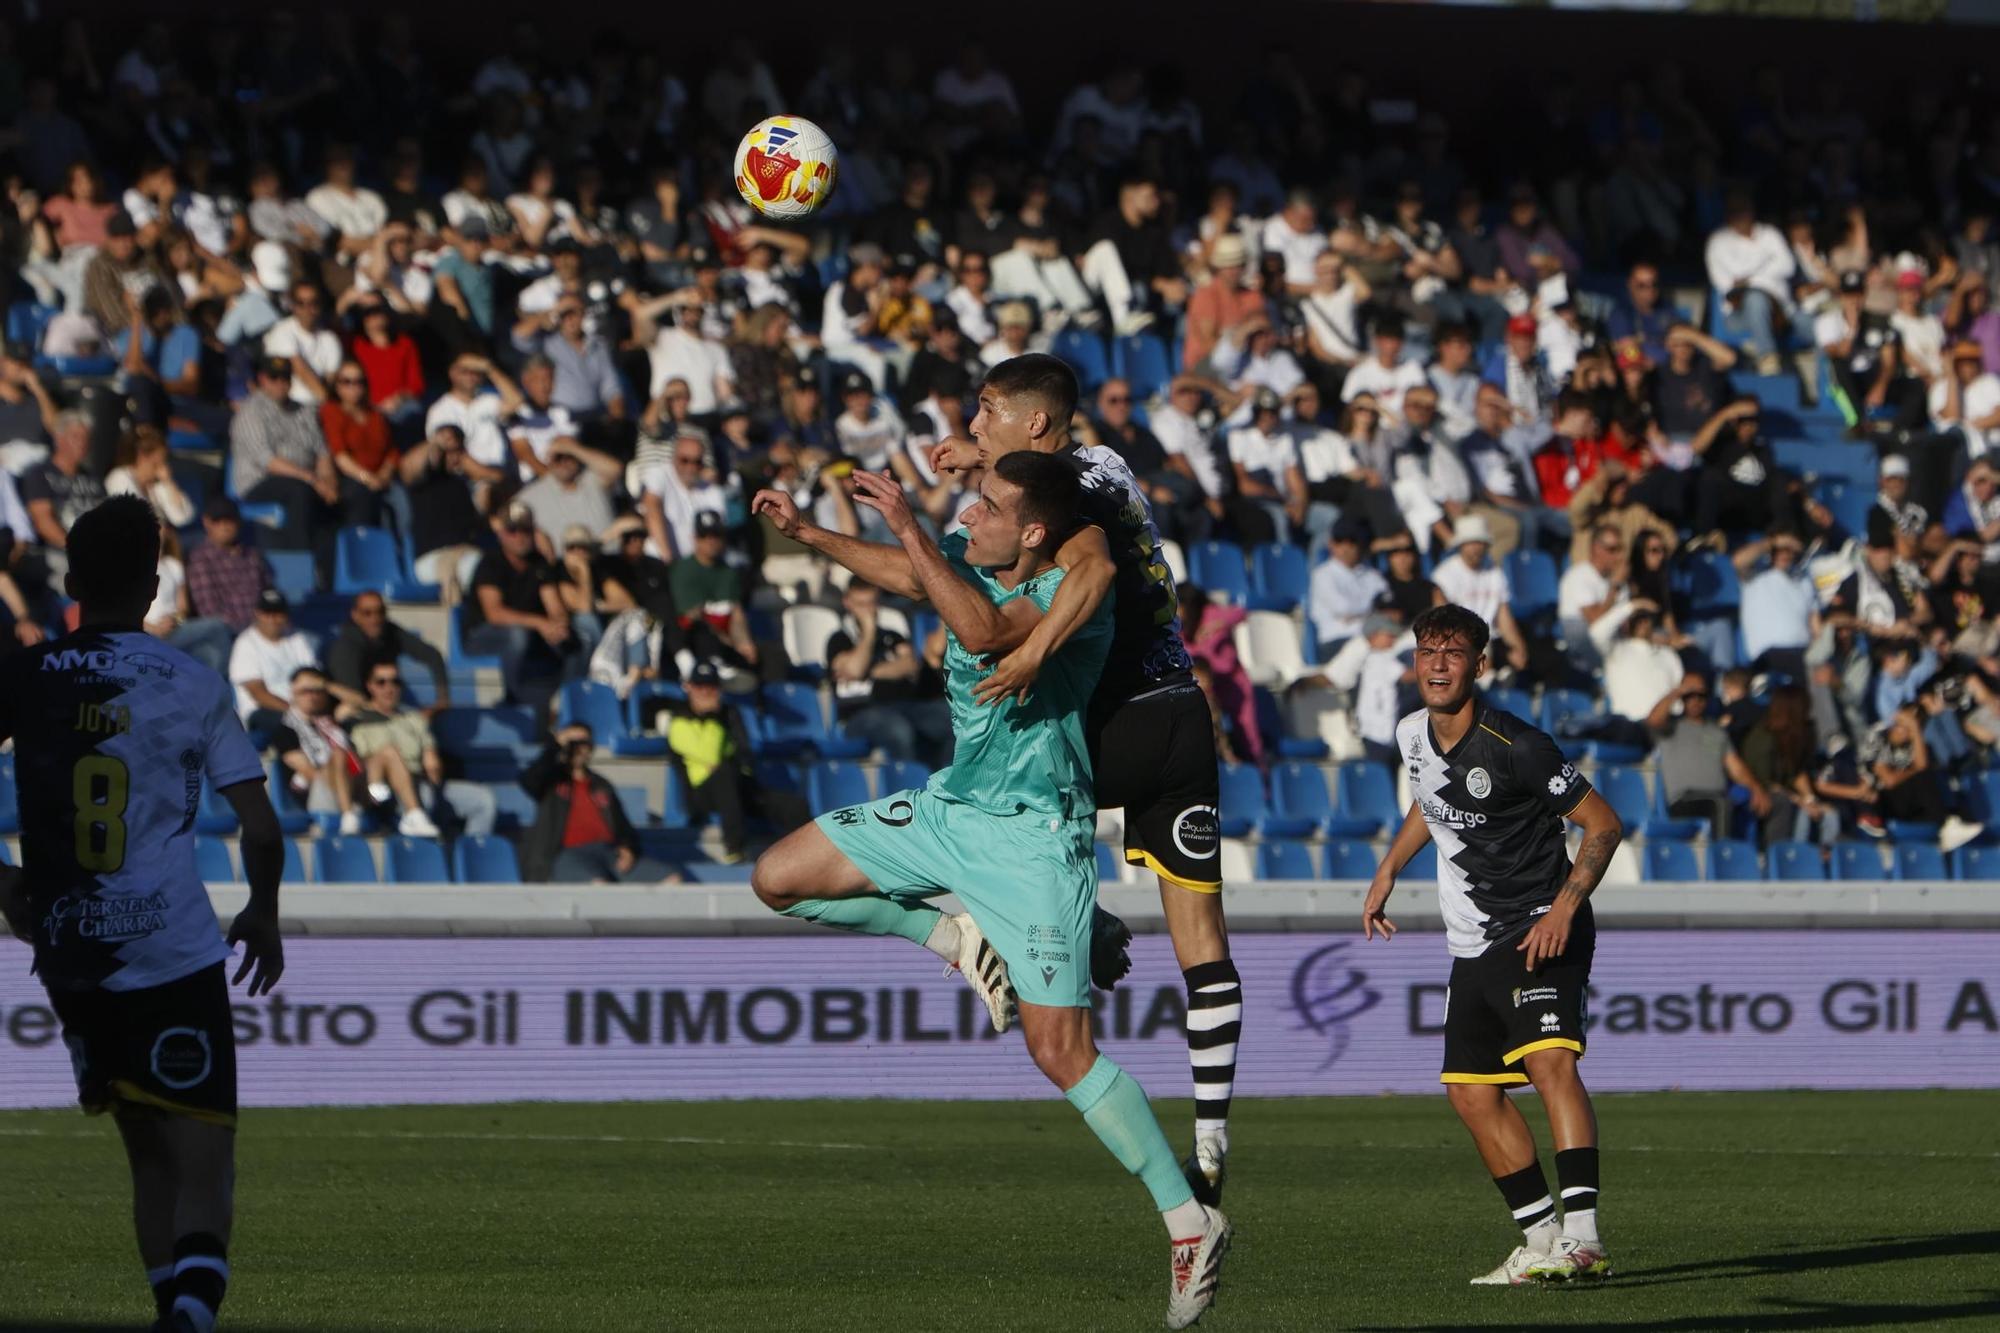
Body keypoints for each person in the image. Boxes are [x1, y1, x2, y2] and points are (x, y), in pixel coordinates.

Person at [749, 452, 1228, 1326]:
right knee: (778, 878)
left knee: (1060, 1052)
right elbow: (912, 575)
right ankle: (958, 937)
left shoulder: (1065, 594)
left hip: (1033, 836)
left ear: (1033, 530)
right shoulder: (972, 561)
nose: (967, 517)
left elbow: (981, 631)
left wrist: (908, 522)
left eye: (986, 507)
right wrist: (809, 532)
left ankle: (1189, 1220)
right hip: (952, 808)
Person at [927, 355, 1243, 1204]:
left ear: (1034, 421)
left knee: (982, 789)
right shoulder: (1109, 464)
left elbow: (1094, 569)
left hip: (1118, 722)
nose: (975, 420)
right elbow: (1045, 474)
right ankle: (1211, 1138)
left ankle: (1015, 926)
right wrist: (977, 456)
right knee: (1203, 940)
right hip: (1183, 719)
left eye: (986, 408)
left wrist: (1033, 651)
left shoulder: (1067, 502)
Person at [0, 494, 285, 1333]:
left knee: (146, 1152)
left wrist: (2, 880)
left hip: (73, 953)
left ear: (72, 583)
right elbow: (261, 827)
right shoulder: (193, 682)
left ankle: (174, 1312)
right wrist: (262, 912)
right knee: (204, 1154)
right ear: (155, 587)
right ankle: (191, 1312)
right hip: (171, 949)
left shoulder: (25, 676)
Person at [1363, 602, 1622, 1286]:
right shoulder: (1412, 733)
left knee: (1549, 1064)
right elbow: (1429, 799)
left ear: (1479, 664)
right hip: (1473, 939)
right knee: (1470, 1093)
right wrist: (1388, 869)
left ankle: (1584, 1238)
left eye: (1452, 654)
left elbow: (1603, 824)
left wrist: (1564, 908)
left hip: (1540, 922)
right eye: (1427, 652)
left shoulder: (1519, 745)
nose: (1438, 665)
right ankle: (1540, 1241)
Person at [666, 662, 811, 862]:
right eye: (700, 686)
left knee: (792, 805)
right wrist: (713, 718)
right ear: (689, 687)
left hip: (736, 785)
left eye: (712, 687)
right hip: (702, 792)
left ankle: (806, 855)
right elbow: (711, 754)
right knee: (724, 775)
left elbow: (743, 752)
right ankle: (734, 849)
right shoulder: (679, 721)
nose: (706, 692)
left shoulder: (731, 715)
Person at [464, 502, 592, 711]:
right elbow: (494, 614)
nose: (519, 536)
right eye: (513, 530)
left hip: (530, 632)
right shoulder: (490, 562)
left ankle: (564, 702)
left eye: (525, 530)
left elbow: (554, 605)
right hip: (483, 635)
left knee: (577, 638)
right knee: (517, 635)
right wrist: (541, 623)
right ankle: (512, 700)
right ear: (501, 534)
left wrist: (559, 625)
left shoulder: (539, 562)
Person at [346, 664, 496, 837]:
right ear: (370, 686)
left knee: (483, 800)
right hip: (384, 791)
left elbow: (431, 759)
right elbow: (360, 765)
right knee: (424, 797)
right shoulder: (358, 721)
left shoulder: (413, 718)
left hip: (422, 781)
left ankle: (471, 851)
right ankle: (417, 834)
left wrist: (434, 770)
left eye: (395, 682)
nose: (389, 688)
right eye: (381, 682)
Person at [519, 722, 675, 883]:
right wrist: (556, 746)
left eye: (583, 743)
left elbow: (623, 827)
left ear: (591, 747)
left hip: (609, 853)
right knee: (598, 886)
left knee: (671, 880)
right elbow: (529, 780)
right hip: (566, 854)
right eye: (573, 743)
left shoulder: (601, 785)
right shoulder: (551, 782)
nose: (578, 748)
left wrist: (628, 848)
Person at [825, 578, 952, 769]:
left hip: (902, 706)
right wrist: (869, 629)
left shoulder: (891, 636)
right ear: (847, 603)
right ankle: (908, 783)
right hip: (859, 713)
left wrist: (869, 672)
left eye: (871, 603)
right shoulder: (839, 639)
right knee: (898, 730)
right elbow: (855, 669)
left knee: (951, 719)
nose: (867, 610)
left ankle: (947, 780)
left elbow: (910, 665)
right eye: (861, 604)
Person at [324, 591, 449, 712]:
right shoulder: (345, 649)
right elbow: (354, 697)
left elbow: (433, 656)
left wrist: (442, 699)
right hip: (355, 713)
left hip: (385, 707)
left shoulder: (390, 632)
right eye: (367, 613)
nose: (375, 619)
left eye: (380, 612)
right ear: (355, 615)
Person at [227, 589, 319, 731]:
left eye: (278, 613)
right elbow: (258, 693)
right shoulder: (245, 644)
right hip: (263, 711)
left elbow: (314, 679)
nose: (272, 619)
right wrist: (295, 713)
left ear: (286, 615)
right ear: (257, 614)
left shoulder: (298, 639)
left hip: (304, 706)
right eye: (267, 613)